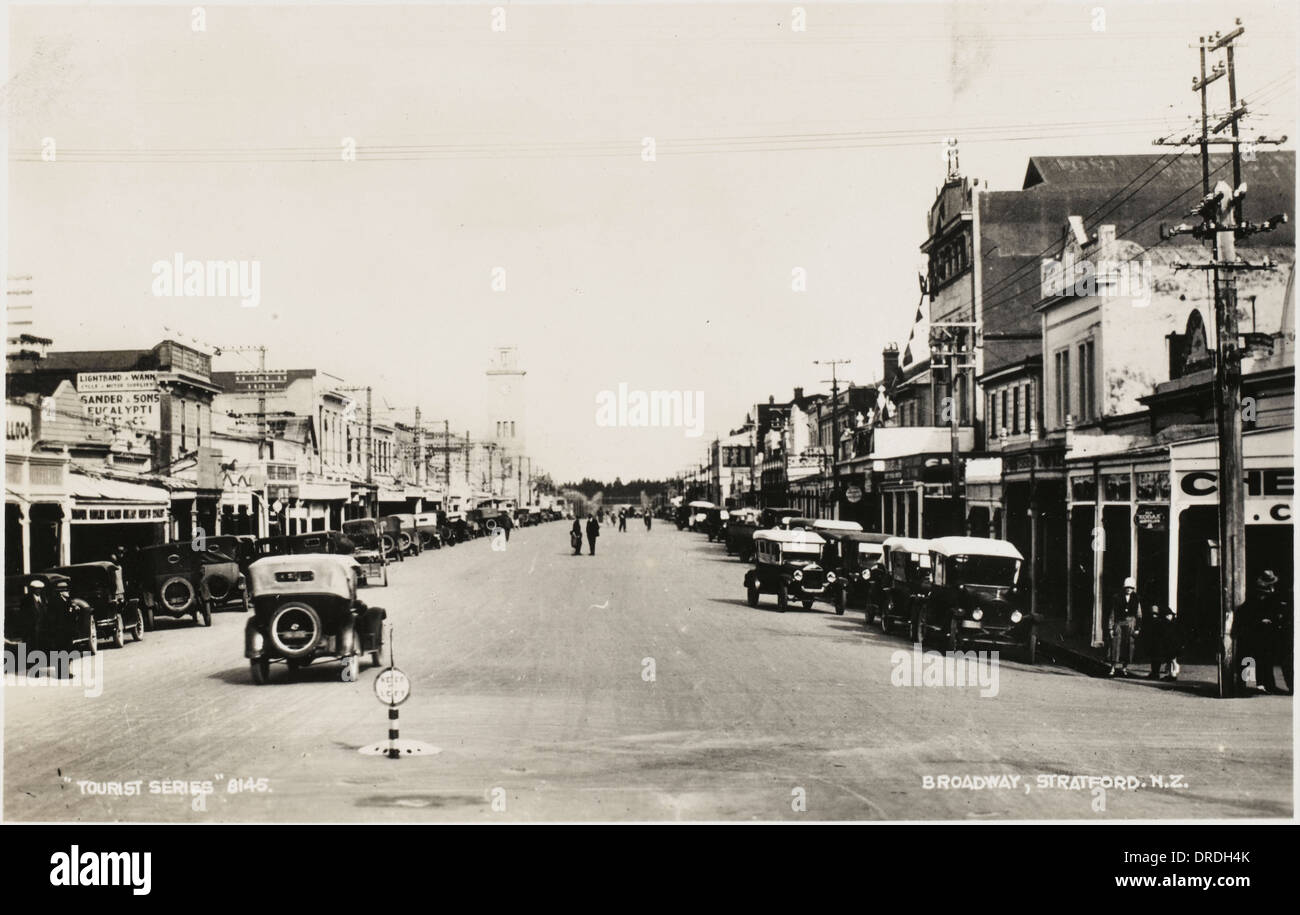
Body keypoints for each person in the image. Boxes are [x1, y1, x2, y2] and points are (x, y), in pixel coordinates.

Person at [1236, 570, 1292, 694]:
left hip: (1260, 631)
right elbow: (1250, 612)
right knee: (1249, 658)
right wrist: (1261, 620)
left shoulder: (1268, 596)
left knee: (1262, 658)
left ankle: (1263, 684)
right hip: (1252, 630)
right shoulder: (1257, 596)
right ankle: (1245, 686)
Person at [1105, 576, 1144, 677]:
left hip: (1131, 623)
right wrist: (1110, 628)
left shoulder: (1136, 598)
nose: (1129, 589)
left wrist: (1137, 628)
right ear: (1124, 587)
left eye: (1131, 588)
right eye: (1127, 587)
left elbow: (1139, 615)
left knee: (1128, 646)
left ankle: (1124, 668)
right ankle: (1113, 667)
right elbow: (1112, 613)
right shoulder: (1117, 597)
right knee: (1115, 645)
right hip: (1119, 623)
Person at [1146, 605, 1182, 681]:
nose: (1168, 617)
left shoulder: (1168, 623)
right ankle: (1171, 674)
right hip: (1169, 642)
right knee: (1170, 659)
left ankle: (1173, 674)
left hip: (1171, 642)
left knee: (1172, 659)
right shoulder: (1167, 622)